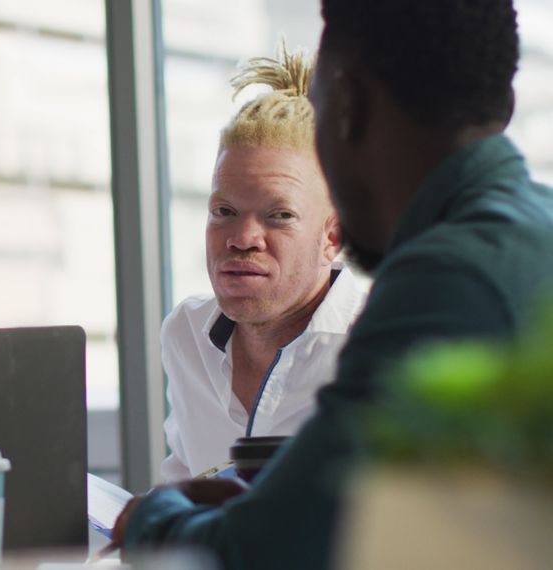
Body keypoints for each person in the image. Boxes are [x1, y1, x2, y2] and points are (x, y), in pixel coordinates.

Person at [114, 0, 553, 568]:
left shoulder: (449, 278)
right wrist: (264, 511)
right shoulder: (532, 231)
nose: (245, 237)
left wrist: (153, 516)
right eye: (224, 210)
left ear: (347, 106)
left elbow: (256, 554)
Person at [161, 43, 366, 480]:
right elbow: (183, 481)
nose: (241, 239)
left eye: (280, 216)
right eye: (224, 211)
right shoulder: (186, 335)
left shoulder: (377, 345)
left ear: (332, 237)